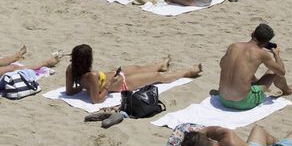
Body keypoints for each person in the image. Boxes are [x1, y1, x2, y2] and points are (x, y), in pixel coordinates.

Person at [64, 44, 202, 104]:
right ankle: (188, 72)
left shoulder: (71, 69)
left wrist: (83, 87)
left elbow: (69, 91)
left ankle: (161, 64)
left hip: (114, 74)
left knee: (138, 68)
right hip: (121, 83)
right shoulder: (92, 76)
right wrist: (107, 86)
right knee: (158, 77)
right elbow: (96, 100)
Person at [217, 23, 292, 110]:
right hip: (243, 102)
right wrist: (276, 55)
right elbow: (281, 72)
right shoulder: (261, 53)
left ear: (253, 33)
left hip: (223, 99)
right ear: (266, 43)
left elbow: (222, 64)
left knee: (239, 69)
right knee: (273, 71)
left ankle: (255, 84)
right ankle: (288, 90)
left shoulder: (233, 46)